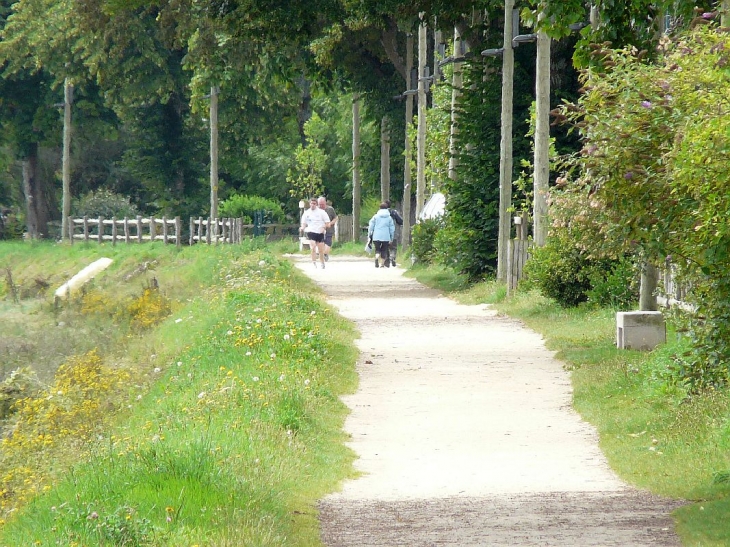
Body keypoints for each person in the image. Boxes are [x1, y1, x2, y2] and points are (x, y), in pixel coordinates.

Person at [300, 197, 331, 269]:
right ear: (309, 204)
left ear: (316, 204)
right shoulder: (306, 213)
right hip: (311, 232)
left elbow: (328, 223)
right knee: (313, 247)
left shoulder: (322, 212)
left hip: (320, 232)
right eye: (311, 203)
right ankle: (314, 262)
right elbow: (304, 223)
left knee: (320, 250)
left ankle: (322, 262)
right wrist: (302, 228)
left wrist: (324, 227)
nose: (313, 205)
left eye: (314, 204)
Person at [368, 202, 395, 268]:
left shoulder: (375, 216)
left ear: (379, 208)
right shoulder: (389, 218)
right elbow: (392, 229)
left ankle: (376, 258)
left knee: (377, 249)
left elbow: (371, 226)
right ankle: (382, 264)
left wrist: (369, 234)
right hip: (386, 236)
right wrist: (391, 238)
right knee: (384, 250)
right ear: (387, 209)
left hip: (376, 236)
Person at [317, 196, 338, 262]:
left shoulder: (330, 209)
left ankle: (325, 254)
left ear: (325, 203)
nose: (321, 206)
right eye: (319, 205)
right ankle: (321, 254)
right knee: (321, 243)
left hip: (329, 230)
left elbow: (335, 218)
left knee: (328, 243)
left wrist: (330, 223)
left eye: (322, 204)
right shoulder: (316, 210)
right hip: (319, 231)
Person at [385, 200, 404, 267]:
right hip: (393, 233)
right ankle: (392, 257)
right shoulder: (394, 212)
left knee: (385, 247)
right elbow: (400, 221)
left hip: (383, 234)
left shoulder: (380, 213)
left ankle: (387, 259)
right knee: (393, 247)